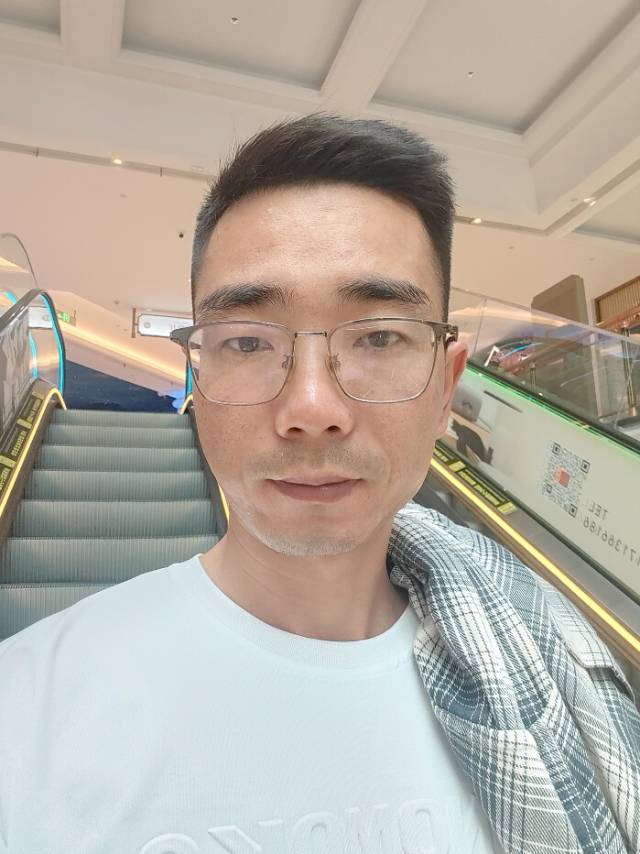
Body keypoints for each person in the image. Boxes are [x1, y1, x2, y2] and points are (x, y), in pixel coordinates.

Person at [0, 115, 638, 854]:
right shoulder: (29, 711)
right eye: (247, 341)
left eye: (379, 336)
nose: (311, 408)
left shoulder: (553, 655)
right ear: (198, 383)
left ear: (446, 389)